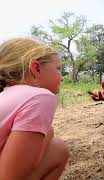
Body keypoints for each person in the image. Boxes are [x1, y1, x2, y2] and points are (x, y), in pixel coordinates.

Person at [0, 38, 69, 179]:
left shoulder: (6, 95)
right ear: (36, 68)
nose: (61, 78)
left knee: (56, 148)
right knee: (57, 146)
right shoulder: (39, 97)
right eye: (58, 69)